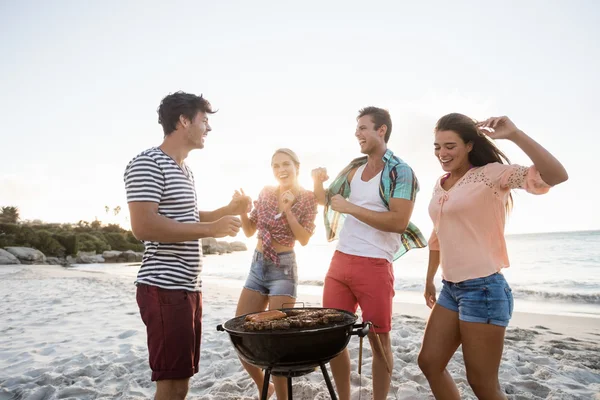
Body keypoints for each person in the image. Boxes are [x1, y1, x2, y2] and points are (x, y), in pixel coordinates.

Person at [417, 114, 568, 400]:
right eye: (437, 147)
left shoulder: (491, 174)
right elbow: (438, 235)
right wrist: (429, 279)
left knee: (483, 384)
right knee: (429, 363)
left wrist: (515, 134)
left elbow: (556, 176)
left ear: (470, 145)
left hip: (483, 290)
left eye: (450, 146)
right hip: (451, 289)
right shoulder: (441, 184)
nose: (442, 153)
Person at [124, 91, 250, 400]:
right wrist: (210, 229)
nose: (208, 128)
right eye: (204, 121)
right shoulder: (147, 163)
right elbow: (144, 225)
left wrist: (227, 210)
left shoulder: (185, 170)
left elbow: (189, 217)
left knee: (182, 380)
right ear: (184, 121)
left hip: (188, 288)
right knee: (172, 384)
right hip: (164, 288)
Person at [312, 107, 427, 400]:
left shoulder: (401, 171)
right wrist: (317, 181)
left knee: (380, 342)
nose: (357, 133)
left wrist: (350, 208)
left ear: (381, 130)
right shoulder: (354, 168)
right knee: (333, 339)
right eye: (357, 128)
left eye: (363, 128)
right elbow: (325, 200)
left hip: (375, 265)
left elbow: (398, 221)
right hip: (340, 263)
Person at [235, 148, 318, 400]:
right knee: (239, 334)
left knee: (276, 342)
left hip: (283, 268)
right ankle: (265, 387)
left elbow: (303, 238)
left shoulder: (307, 198)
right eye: (275, 166)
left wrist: (289, 209)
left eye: (286, 165)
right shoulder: (266, 192)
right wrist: (241, 209)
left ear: (296, 167)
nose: (281, 170)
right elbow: (250, 231)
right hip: (258, 265)